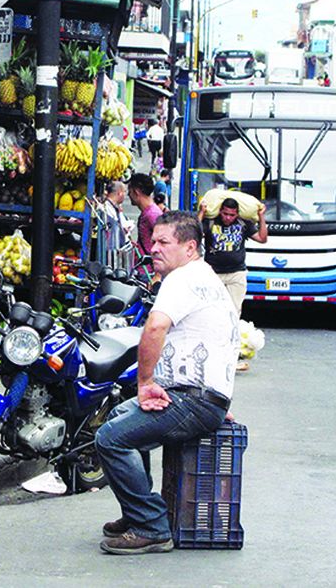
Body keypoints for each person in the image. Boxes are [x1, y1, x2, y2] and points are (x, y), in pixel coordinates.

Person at [95, 211, 239, 555]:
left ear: (190, 247)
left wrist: (145, 383)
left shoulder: (183, 279)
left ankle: (151, 526)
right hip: (200, 397)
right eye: (153, 240)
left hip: (194, 400)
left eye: (163, 242)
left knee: (110, 439)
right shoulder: (206, 279)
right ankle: (137, 513)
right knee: (119, 418)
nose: (154, 248)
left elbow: (155, 328)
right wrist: (218, 399)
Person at [197, 196, 268, 317]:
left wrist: (261, 216)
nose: (228, 218)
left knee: (234, 312)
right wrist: (202, 212)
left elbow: (262, 238)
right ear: (220, 211)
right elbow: (195, 235)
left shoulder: (243, 223)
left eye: (232, 215)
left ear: (237, 214)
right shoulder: (211, 222)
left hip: (237, 274)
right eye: (225, 214)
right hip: (214, 273)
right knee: (211, 311)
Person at [128, 173, 163, 266]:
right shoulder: (147, 213)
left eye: (130, 191)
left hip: (148, 273)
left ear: (136, 192)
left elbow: (164, 244)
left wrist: (157, 276)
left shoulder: (152, 215)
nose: (128, 195)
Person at [101, 181, 133, 253]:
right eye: (124, 192)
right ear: (120, 193)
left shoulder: (114, 207)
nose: (125, 195)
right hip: (109, 251)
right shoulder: (106, 208)